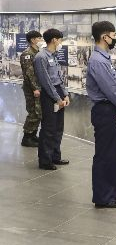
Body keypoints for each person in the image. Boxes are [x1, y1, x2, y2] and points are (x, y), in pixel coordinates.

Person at [86, 21, 116, 209]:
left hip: (111, 109)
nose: (115, 39)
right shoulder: (98, 60)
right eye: (113, 35)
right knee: (105, 155)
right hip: (105, 111)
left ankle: (114, 190)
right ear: (104, 37)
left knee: (115, 152)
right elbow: (111, 89)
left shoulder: (103, 58)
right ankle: (103, 197)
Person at [33, 28, 70, 170]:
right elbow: (46, 81)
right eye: (60, 40)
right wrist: (57, 98)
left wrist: (65, 94)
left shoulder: (53, 55)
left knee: (58, 127)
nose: (61, 42)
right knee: (49, 128)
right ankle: (45, 160)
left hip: (58, 92)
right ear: (54, 40)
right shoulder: (40, 57)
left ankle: (55, 156)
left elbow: (59, 77)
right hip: (49, 95)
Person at [19, 30, 45, 147]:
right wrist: (35, 88)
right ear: (33, 40)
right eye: (39, 38)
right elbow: (29, 74)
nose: (41, 40)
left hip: (38, 87)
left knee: (38, 112)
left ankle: (33, 135)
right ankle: (27, 137)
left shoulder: (38, 52)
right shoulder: (27, 54)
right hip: (31, 88)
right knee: (33, 112)